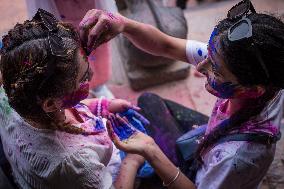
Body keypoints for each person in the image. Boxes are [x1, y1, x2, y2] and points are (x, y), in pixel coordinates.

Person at [80, 0, 284, 188]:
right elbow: (166, 45)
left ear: (251, 90)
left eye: (215, 70)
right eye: (208, 55)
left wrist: (150, 151)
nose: (200, 67)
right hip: (213, 141)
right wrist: (124, 25)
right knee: (148, 101)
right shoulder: (262, 76)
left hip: (209, 173)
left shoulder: (237, 157)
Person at [0, 9, 148, 189]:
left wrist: (101, 105)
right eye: (84, 77)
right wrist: (132, 160)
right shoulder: (75, 164)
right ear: (50, 103)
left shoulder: (10, 95)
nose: (92, 76)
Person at [25, 0, 117, 99]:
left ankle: (99, 87)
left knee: (96, 39)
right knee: (68, 47)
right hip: (61, 10)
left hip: (88, 7)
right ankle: (78, 88)